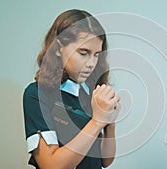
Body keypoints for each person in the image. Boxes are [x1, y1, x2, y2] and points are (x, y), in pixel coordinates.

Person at [23, 9, 120, 169]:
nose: (91, 63)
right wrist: (97, 121)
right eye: (83, 53)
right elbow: (52, 166)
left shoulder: (90, 92)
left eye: (96, 54)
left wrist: (110, 122)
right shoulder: (37, 94)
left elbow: (105, 160)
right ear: (58, 47)